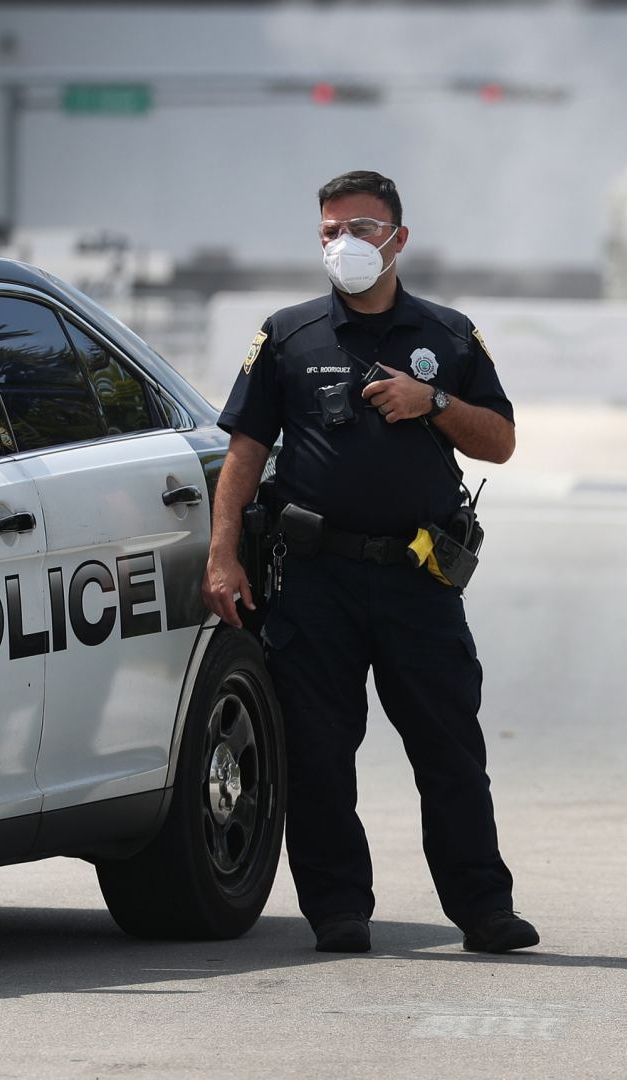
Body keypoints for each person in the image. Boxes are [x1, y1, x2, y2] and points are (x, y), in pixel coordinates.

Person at [202, 170, 538, 955]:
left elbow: (501, 441)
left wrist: (438, 405)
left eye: (359, 228)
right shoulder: (287, 335)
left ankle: (484, 909)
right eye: (328, 231)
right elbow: (244, 451)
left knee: (451, 752)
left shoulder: (448, 336)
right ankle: (338, 908)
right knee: (318, 754)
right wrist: (223, 556)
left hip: (418, 578)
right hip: (315, 579)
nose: (343, 244)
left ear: (397, 239)